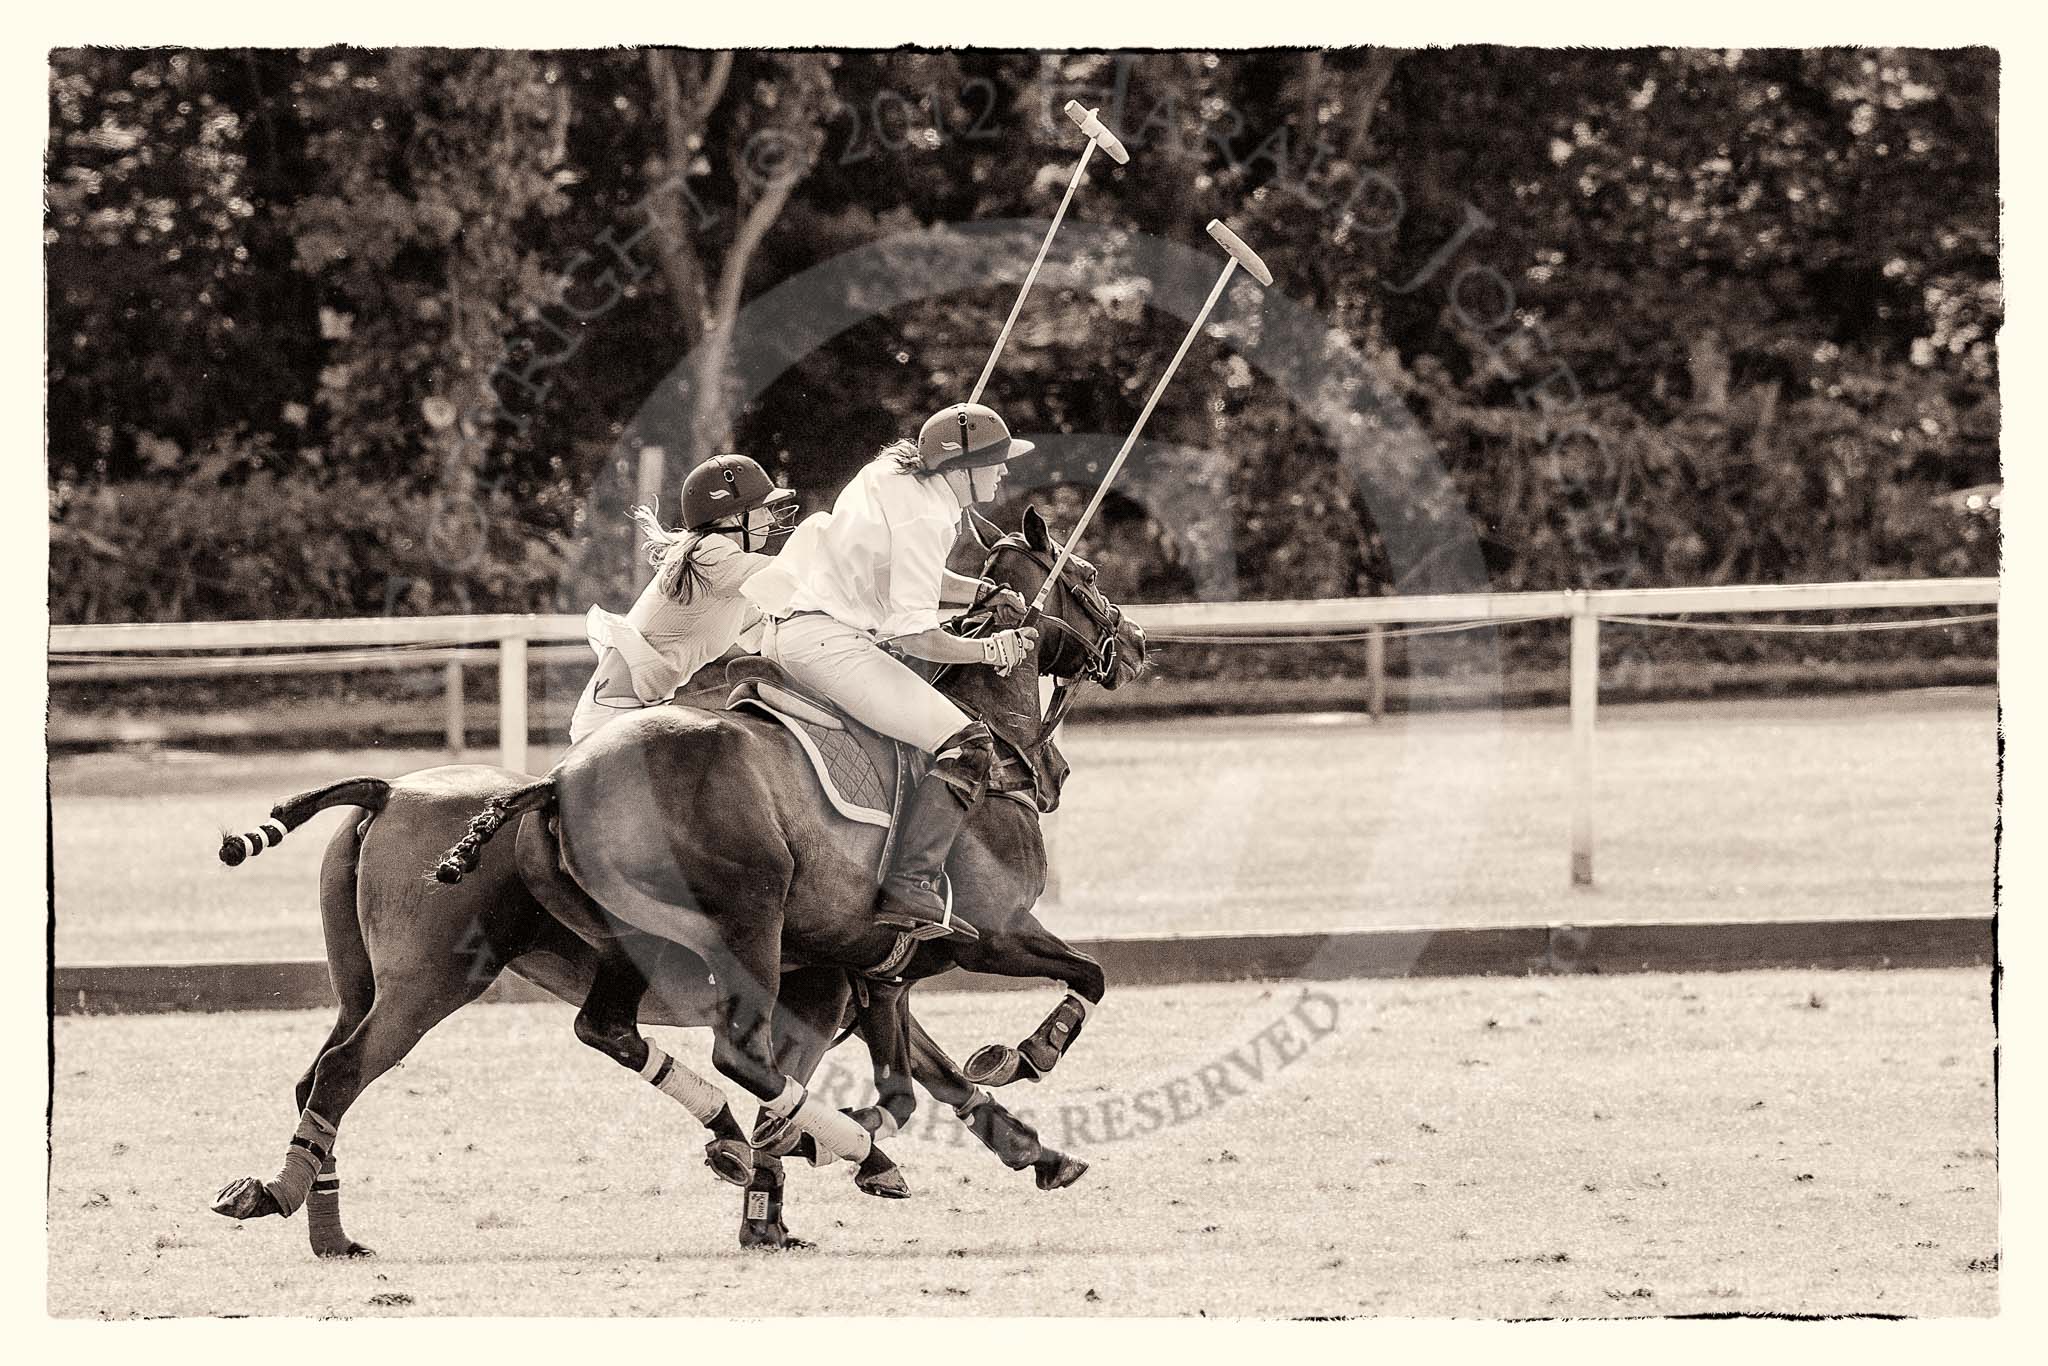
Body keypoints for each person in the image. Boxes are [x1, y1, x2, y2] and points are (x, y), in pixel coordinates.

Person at [742, 402, 1040, 944]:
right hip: (830, 644)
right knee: (967, 742)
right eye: (996, 460)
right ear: (961, 468)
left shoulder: (890, 474)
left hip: (793, 630)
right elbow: (915, 636)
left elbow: (905, 577)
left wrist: (983, 591)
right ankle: (911, 883)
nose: (1004, 471)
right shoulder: (928, 517)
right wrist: (991, 651)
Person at [567, 454, 797, 744]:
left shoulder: (728, 576)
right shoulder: (712, 554)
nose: (771, 518)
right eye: (761, 508)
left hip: (634, 713)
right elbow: (788, 573)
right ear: (732, 517)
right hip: (613, 718)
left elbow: (765, 637)